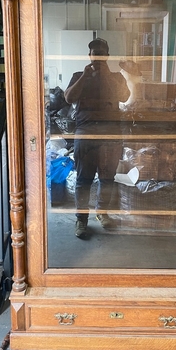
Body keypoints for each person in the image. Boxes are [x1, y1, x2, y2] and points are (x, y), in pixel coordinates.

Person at [64, 38, 130, 238]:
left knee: (107, 179)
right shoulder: (79, 75)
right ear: (90, 55)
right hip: (85, 133)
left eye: (102, 53)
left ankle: (102, 213)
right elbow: (68, 98)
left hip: (110, 135)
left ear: (107, 56)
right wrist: (85, 75)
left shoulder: (116, 77)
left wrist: (106, 75)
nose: (98, 57)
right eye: (94, 53)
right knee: (84, 180)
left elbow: (124, 96)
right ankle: (81, 220)